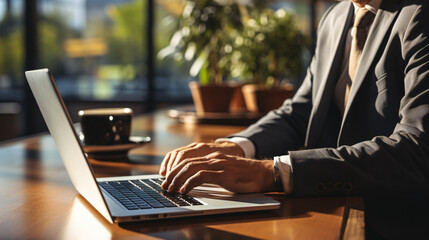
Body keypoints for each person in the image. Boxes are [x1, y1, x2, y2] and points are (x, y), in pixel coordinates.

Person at [161, 0, 429, 237]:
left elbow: (417, 148)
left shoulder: (419, 14)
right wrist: (237, 146)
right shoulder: (335, 17)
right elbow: (300, 111)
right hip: (331, 206)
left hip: (391, 219)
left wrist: (275, 172)